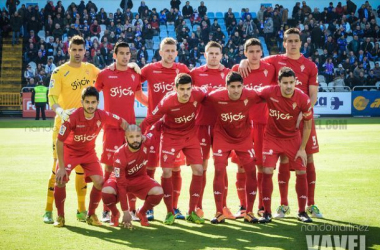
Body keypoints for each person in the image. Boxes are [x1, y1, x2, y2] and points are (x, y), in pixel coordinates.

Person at [240, 28, 322, 219]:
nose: (293, 44)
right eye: (289, 40)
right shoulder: (274, 60)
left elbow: (313, 94)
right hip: (280, 121)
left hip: (302, 117)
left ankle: (311, 204)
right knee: (284, 160)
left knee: (307, 159)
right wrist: (243, 61)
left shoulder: (310, 65)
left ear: (301, 43)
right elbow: (254, 60)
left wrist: (303, 114)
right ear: (284, 43)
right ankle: (283, 205)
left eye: (296, 40)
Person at [44, 35, 100, 224]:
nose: (77, 53)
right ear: (68, 50)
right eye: (74, 49)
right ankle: (49, 210)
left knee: (81, 172)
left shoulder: (90, 69)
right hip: (62, 129)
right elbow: (51, 97)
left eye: (80, 50)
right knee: (57, 170)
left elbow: (108, 76)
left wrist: (131, 67)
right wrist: (60, 110)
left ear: (85, 51)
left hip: (84, 131)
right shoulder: (59, 72)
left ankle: (81, 210)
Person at [53, 86, 128, 227]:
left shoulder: (102, 115)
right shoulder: (71, 117)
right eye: (87, 102)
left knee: (100, 182)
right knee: (61, 180)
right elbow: (59, 141)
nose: (90, 105)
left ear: (97, 103)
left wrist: (133, 135)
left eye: (93, 102)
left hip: (88, 153)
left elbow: (122, 122)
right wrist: (61, 167)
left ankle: (91, 214)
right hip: (70, 151)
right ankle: (60, 217)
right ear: (82, 102)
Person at [140, 73, 206, 225]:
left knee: (199, 169)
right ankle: (170, 212)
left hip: (190, 136)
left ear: (192, 88)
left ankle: (192, 211)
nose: (185, 92)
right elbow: (150, 119)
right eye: (182, 89)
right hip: (170, 137)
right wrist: (138, 137)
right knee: (166, 171)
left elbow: (211, 96)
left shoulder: (198, 94)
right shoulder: (167, 102)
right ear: (175, 88)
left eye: (188, 89)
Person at [95, 41, 147, 222]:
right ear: (114, 55)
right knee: (109, 169)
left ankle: (131, 210)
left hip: (131, 132)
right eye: (122, 53)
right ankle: (106, 210)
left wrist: (157, 106)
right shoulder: (104, 75)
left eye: (128, 53)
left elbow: (140, 96)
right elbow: (92, 96)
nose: (125, 56)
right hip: (111, 129)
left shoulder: (135, 75)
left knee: (131, 170)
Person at [140, 37, 190, 221]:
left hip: (175, 127)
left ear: (176, 53)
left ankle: (174, 207)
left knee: (175, 169)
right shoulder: (150, 69)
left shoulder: (183, 70)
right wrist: (149, 104)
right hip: (154, 126)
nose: (169, 54)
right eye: (166, 50)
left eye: (172, 51)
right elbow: (135, 85)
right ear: (160, 52)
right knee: (150, 167)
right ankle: (149, 207)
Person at [256, 68, 313, 224]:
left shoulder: (303, 99)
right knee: (267, 170)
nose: (289, 86)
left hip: (293, 139)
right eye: (285, 83)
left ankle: (302, 211)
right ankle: (266, 212)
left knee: (301, 171)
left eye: (291, 83)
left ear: (295, 82)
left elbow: (308, 124)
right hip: (272, 138)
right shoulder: (269, 92)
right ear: (279, 83)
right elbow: (252, 94)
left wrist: (302, 149)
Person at [204, 72, 261, 224]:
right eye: (232, 87)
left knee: (251, 170)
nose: (236, 90)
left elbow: (268, 93)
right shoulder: (215, 96)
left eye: (239, 86)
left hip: (243, 138)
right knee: (219, 170)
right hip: (222, 136)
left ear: (243, 86)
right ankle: (218, 212)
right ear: (226, 87)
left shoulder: (251, 95)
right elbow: (200, 96)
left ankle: (249, 212)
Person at [231, 38, 276, 219]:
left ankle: (263, 206)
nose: (254, 55)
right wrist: (242, 63)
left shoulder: (270, 69)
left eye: (257, 51)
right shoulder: (238, 70)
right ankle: (243, 206)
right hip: (242, 126)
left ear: (262, 53)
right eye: (250, 52)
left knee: (262, 167)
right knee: (242, 167)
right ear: (245, 53)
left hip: (263, 125)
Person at [189, 41, 231, 219]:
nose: (214, 56)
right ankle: (197, 207)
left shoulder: (229, 74)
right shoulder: (195, 74)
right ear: (204, 55)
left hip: (222, 126)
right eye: (210, 53)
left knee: (221, 167)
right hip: (201, 125)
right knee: (201, 167)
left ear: (221, 55)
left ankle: (223, 207)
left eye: (217, 53)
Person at [102, 125, 163, 228]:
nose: (135, 140)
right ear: (126, 139)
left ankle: (142, 212)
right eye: (131, 137)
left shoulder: (146, 143)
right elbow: (121, 185)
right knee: (106, 191)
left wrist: (146, 137)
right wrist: (126, 212)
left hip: (140, 178)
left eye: (137, 136)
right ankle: (115, 213)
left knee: (158, 192)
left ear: (141, 137)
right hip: (120, 180)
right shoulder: (119, 155)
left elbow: (153, 130)